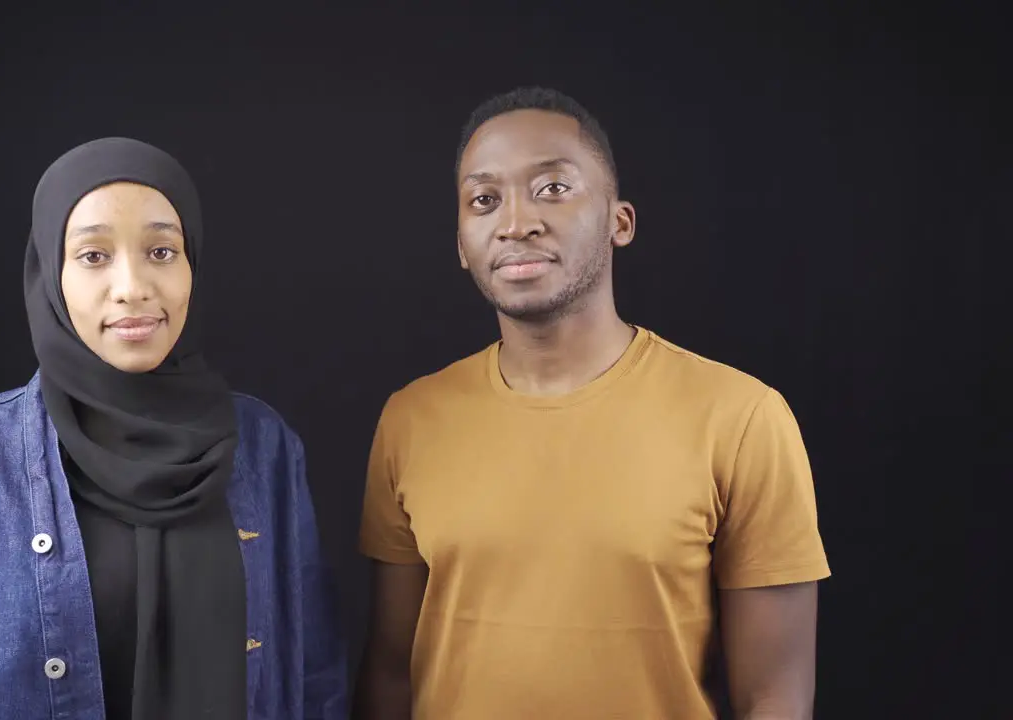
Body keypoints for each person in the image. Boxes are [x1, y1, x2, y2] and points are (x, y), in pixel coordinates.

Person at [354, 87, 831, 719]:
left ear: (620, 221)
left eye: (552, 188)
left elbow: (774, 698)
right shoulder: (411, 418)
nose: (516, 221)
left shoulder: (743, 418)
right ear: (463, 243)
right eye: (485, 200)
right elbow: (391, 673)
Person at [0, 137, 347, 719]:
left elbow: (315, 682)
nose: (133, 285)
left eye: (162, 251)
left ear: (194, 264)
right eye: (93, 256)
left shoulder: (264, 446)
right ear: (51, 276)